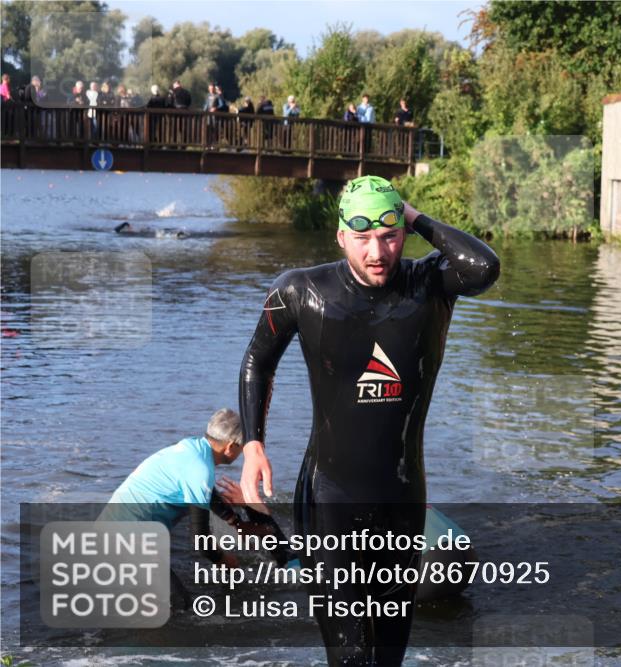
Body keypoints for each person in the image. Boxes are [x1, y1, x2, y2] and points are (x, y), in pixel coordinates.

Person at [238, 176, 500, 665]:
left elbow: (483, 266)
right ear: (340, 236)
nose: (376, 252)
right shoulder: (301, 291)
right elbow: (259, 359)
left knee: (388, 657)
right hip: (329, 497)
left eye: (389, 235)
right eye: (362, 238)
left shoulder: (429, 286)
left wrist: (417, 216)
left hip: (402, 499)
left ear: (402, 231)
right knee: (351, 658)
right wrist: (253, 444)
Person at [100, 409, 295, 606]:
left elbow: (206, 494)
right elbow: (199, 539)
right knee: (177, 604)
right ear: (230, 447)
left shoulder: (192, 449)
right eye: (242, 448)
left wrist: (234, 521)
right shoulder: (201, 471)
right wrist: (223, 559)